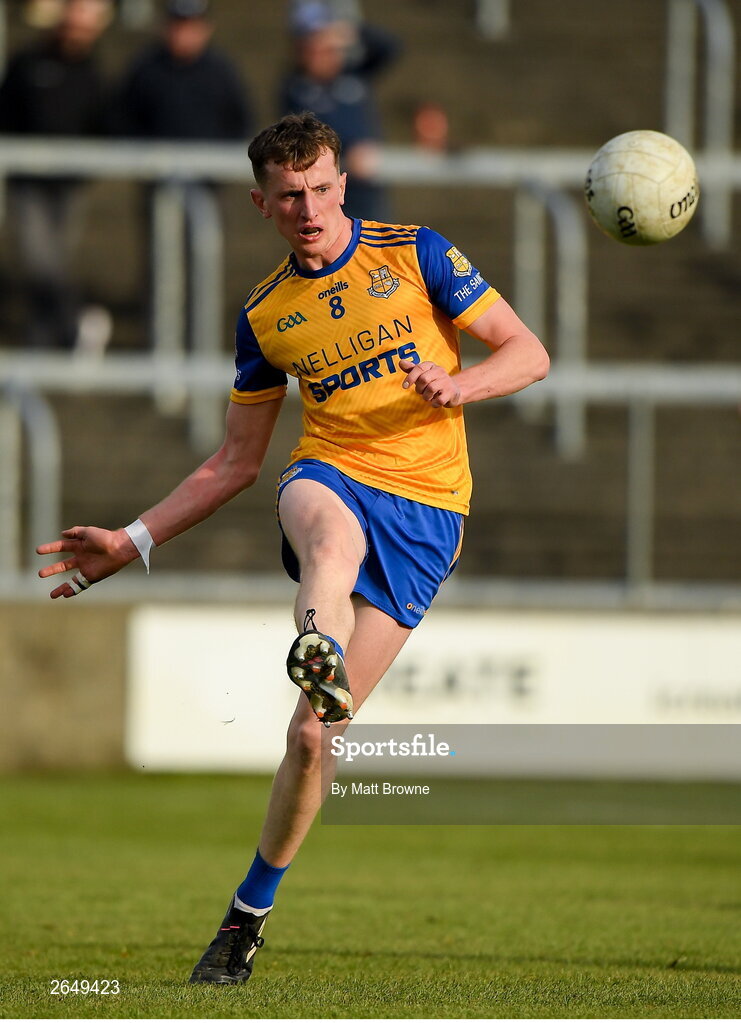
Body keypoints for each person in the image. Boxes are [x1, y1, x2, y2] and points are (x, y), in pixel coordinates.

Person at [37, 112, 549, 984]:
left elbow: (528, 353)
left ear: (341, 183)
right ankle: (315, 639)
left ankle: (247, 913)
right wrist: (132, 537)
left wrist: (458, 383)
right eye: (288, 196)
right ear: (261, 205)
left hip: (430, 511)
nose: (308, 209)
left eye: (319, 189)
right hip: (333, 473)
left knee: (313, 738)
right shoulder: (267, 315)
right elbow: (237, 462)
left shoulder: (415, 251)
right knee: (321, 525)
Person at [113, 0, 254, 348]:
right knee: (160, 269)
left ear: (205, 28)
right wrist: (147, 161)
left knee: (204, 265)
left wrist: (217, 166)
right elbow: (122, 119)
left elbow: (241, 122)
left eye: (191, 25)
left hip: (208, 189)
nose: (184, 34)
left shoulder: (222, 71)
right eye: (177, 24)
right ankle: (160, 348)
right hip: (159, 187)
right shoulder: (146, 68)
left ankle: (200, 344)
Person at [0, 0, 113, 349]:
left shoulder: (92, 72)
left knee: (55, 262)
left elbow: (101, 124)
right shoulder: (28, 63)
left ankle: (52, 333)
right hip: (28, 182)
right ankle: (75, 324)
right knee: (39, 261)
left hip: (68, 185)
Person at [280, 1, 399, 221]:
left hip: (366, 191)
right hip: (324, 194)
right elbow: (302, 142)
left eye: (332, 48)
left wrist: (349, 29)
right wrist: (345, 160)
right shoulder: (294, 89)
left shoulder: (355, 75)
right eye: (318, 47)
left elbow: (390, 47)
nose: (328, 55)